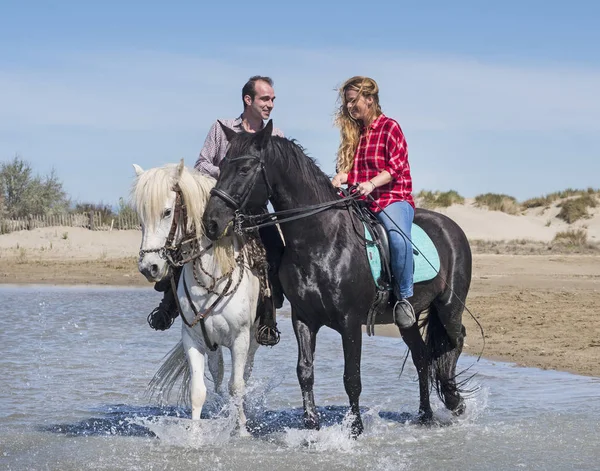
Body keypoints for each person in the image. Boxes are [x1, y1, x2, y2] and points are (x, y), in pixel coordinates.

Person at [147, 76, 286, 346]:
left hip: (255, 212)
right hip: (219, 207)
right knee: (182, 245)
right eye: (265, 99)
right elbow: (201, 164)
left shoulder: (275, 137)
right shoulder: (221, 128)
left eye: (272, 100)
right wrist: (229, 174)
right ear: (249, 100)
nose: (270, 104)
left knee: (276, 251)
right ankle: (169, 304)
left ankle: (268, 317)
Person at [331, 76, 416, 329]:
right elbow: (348, 170)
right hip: (360, 200)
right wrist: (340, 177)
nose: (349, 107)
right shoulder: (353, 133)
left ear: (370, 99)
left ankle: (404, 298)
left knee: (399, 239)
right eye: (346, 102)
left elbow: (396, 166)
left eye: (353, 101)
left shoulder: (390, 127)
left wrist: (370, 184)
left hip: (392, 197)